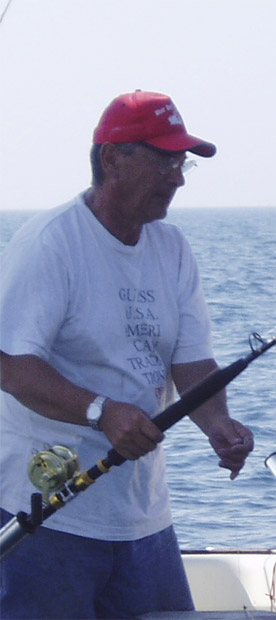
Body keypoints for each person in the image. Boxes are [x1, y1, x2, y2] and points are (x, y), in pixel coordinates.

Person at [0, 90, 255, 619]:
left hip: (143, 517)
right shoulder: (50, 242)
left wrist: (219, 426)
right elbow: (11, 366)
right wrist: (101, 411)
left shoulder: (172, 247)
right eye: (164, 161)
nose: (177, 178)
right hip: (48, 515)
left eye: (182, 163)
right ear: (113, 158)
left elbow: (192, 359)